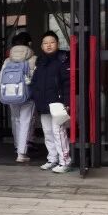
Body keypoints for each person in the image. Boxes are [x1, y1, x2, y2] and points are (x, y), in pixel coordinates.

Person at [31, 30, 73, 173]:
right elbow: (35, 81)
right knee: (48, 132)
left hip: (58, 103)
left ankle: (65, 161)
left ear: (58, 44)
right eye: (45, 43)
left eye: (52, 42)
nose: (48, 45)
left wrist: (67, 102)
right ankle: (52, 159)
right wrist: (35, 96)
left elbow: (67, 83)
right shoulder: (40, 61)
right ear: (42, 46)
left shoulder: (63, 59)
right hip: (43, 103)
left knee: (58, 132)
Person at [0, 32, 37, 163]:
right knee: (25, 121)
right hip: (28, 96)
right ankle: (22, 153)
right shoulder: (33, 59)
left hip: (11, 94)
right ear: (29, 44)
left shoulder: (8, 60)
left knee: (15, 120)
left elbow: (1, 80)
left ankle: (17, 147)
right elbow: (36, 79)